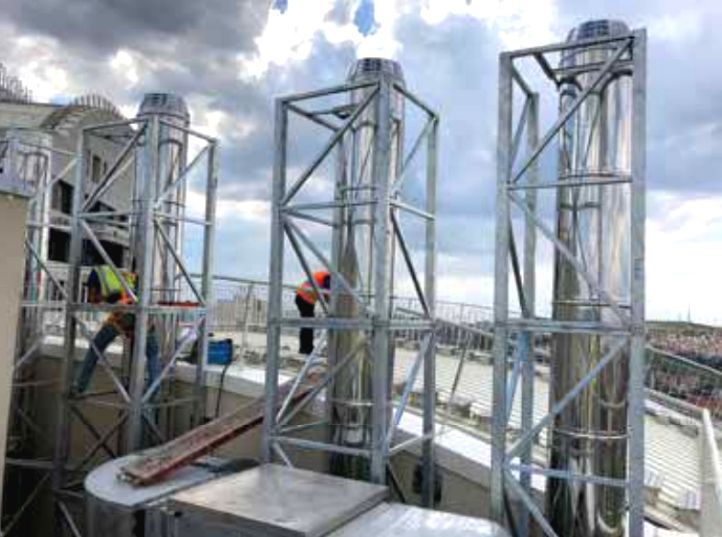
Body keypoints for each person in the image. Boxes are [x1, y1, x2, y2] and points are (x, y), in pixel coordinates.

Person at [71, 265, 160, 396]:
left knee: (96, 347)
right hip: (143, 318)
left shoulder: (99, 274)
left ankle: (80, 386)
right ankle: (152, 394)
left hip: (122, 315)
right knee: (153, 354)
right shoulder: (131, 278)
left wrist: (103, 302)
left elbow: (93, 300)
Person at [295, 270, 330, 354]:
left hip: (303, 298)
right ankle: (306, 348)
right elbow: (326, 292)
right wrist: (331, 303)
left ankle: (306, 347)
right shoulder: (328, 277)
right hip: (304, 299)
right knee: (308, 325)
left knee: (307, 324)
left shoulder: (324, 275)